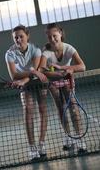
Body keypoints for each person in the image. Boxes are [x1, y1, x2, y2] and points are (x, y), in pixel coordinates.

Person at [39, 23, 87, 152]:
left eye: (54, 36)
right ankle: (68, 137)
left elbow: (82, 67)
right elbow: (41, 70)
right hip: (53, 82)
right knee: (61, 109)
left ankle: (79, 138)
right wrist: (56, 74)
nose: (52, 39)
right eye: (49, 37)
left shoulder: (69, 48)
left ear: (60, 33)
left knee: (73, 108)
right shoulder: (46, 52)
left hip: (67, 81)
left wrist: (66, 68)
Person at [5, 25, 48, 160]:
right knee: (28, 110)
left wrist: (25, 78)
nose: (18, 39)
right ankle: (32, 147)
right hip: (25, 83)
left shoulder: (36, 50)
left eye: (21, 36)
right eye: (15, 37)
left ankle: (41, 143)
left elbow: (35, 71)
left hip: (37, 82)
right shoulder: (9, 54)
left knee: (42, 109)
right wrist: (28, 75)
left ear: (27, 36)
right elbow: (13, 76)